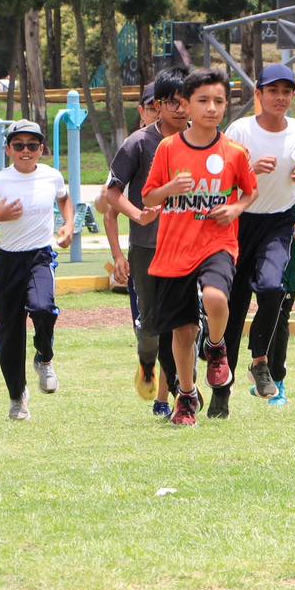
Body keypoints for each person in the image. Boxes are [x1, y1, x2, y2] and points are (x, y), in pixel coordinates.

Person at [141, 68, 259, 426]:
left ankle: (217, 347)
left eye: (219, 101)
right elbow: (149, 195)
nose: (211, 108)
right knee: (183, 329)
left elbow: (250, 191)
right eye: (203, 101)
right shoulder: (167, 148)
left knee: (216, 298)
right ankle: (187, 396)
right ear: (186, 106)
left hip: (217, 241)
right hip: (175, 249)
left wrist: (236, 207)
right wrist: (169, 190)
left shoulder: (234, 152)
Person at [220, 64, 295, 412]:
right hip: (241, 223)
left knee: (274, 288)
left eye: (286, 91)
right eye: (272, 91)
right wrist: (248, 171)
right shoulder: (240, 130)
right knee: (234, 307)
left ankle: (259, 360)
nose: (280, 98)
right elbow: (221, 177)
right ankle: (221, 393)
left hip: (280, 223)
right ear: (258, 94)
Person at [103, 69, 188, 418]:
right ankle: (146, 361)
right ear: (157, 106)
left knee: (182, 325)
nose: (182, 110)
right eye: (173, 102)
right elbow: (111, 194)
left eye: (188, 101)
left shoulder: (202, 140)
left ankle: (170, 398)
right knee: (152, 329)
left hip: (189, 247)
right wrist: (138, 216)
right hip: (148, 248)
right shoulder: (138, 144)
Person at [0, 120, 76, 421]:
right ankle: (17, 396)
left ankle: (44, 357)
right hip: (9, 260)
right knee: (10, 334)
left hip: (39, 256)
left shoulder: (51, 176)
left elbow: (65, 199)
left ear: (41, 149)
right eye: (19, 145)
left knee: (43, 308)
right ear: (8, 149)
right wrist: (1, 214)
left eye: (32, 146)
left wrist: (69, 225)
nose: (26, 151)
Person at [257, 181, 295, 407]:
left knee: (280, 322)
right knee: (266, 320)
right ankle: (266, 375)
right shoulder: (265, 188)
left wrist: (285, 220)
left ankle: (279, 382)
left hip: (288, 271)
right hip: (262, 267)